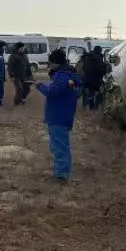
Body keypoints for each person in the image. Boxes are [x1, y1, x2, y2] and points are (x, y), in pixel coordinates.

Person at [37, 49, 82, 180]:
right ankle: (62, 172)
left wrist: (39, 86)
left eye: (50, 62)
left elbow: (53, 92)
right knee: (61, 145)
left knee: (60, 147)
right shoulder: (68, 75)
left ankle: (61, 175)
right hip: (63, 115)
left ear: (56, 62)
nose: (49, 64)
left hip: (58, 116)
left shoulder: (61, 76)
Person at [77, 46, 107, 112]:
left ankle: (91, 108)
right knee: (100, 93)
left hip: (88, 80)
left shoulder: (88, 57)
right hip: (96, 81)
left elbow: (84, 68)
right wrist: (104, 68)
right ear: (100, 51)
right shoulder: (99, 58)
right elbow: (101, 70)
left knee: (90, 94)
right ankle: (95, 108)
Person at [9, 42, 32, 107]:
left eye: (23, 48)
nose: (23, 49)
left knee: (27, 89)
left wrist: (30, 75)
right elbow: (10, 67)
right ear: (18, 48)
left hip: (24, 76)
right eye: (22, 48)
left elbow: (28, 66)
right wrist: (11, 75)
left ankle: (22, 98)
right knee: (19, 90)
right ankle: (16, 102)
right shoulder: (12, 56)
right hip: (16, 77)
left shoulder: (25, 56)